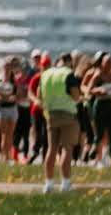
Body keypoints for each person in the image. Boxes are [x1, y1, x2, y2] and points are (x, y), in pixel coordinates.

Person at [35, 53, 81, 193]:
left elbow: (39, 96)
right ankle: (65, 183)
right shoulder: (68, 74)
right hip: (67, 114)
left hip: (51, 115)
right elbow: (75, 96)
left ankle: (48, 183)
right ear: (68, 62)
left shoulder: (46, 74)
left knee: (51, 149)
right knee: (67, 149)